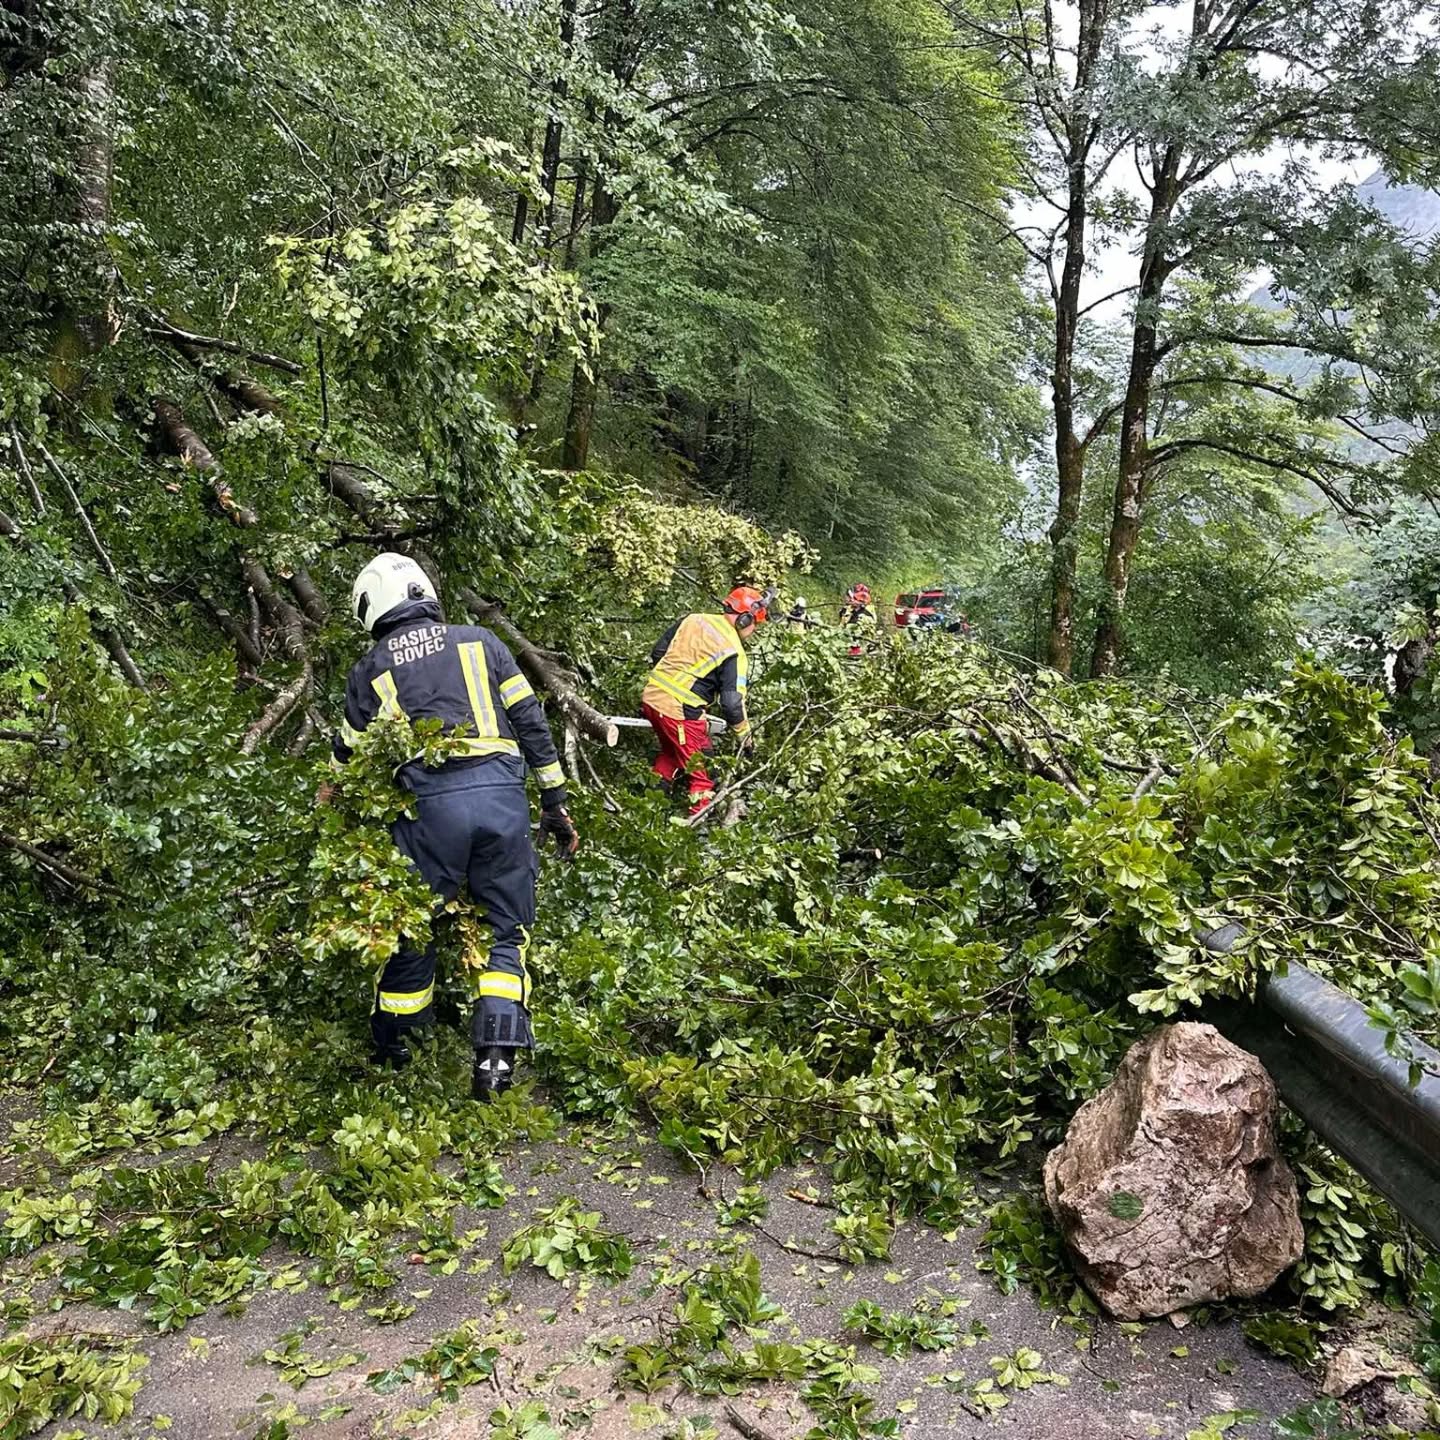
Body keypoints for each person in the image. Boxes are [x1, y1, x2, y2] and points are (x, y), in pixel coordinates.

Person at [332, 552, 579, 1102]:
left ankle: (401, 1050)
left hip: (429, 809)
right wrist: (555, 800)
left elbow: (345, 760)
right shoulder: (482, 642)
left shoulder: (371, 667)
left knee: (411, 924)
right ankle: (494, 1062)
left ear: (373, 608)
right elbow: (531, 721)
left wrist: (341, 818)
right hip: (502, 799)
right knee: (505, 929)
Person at [642, 586, 769, 817]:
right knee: (703, 773)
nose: (753, 631)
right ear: (745, 619)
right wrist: (745, 737)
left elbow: (658, 652)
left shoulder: (694, 619)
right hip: (679, 712)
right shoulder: (733, 651)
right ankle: (694, 830)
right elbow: (731, 704)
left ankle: (648, 810)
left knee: (671, 754)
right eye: (755, 625)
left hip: (651, 698)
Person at [838, 584, 875, 656]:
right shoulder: (847, 610)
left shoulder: (865, 616)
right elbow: (841, 626)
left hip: (857, 649)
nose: (847, 599)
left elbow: (855, 634)